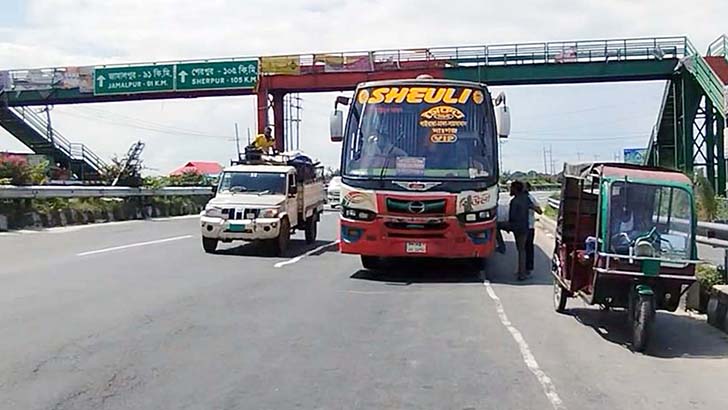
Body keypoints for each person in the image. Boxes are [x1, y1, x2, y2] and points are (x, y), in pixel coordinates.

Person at [508, 180, 530, 281]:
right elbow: (534, 207)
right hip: (525, 227)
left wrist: (509, 227)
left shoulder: (514, 201)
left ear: (515, 190)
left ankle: (501, 246)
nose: (510, 190)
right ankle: (522, 272)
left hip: (516, 226)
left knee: (497, 226)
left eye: (511, 188)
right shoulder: (526, 198)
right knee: (522, 250)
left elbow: (511, 217)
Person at [525, 182, 543, 275]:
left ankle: (528, 268)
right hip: (522, 227)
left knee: (528, 247)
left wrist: (532, 207)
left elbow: (540, 211)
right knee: (522, 248)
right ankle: (523, 267)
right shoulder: (517, 198)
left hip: (529, 226)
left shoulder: (531, 199)